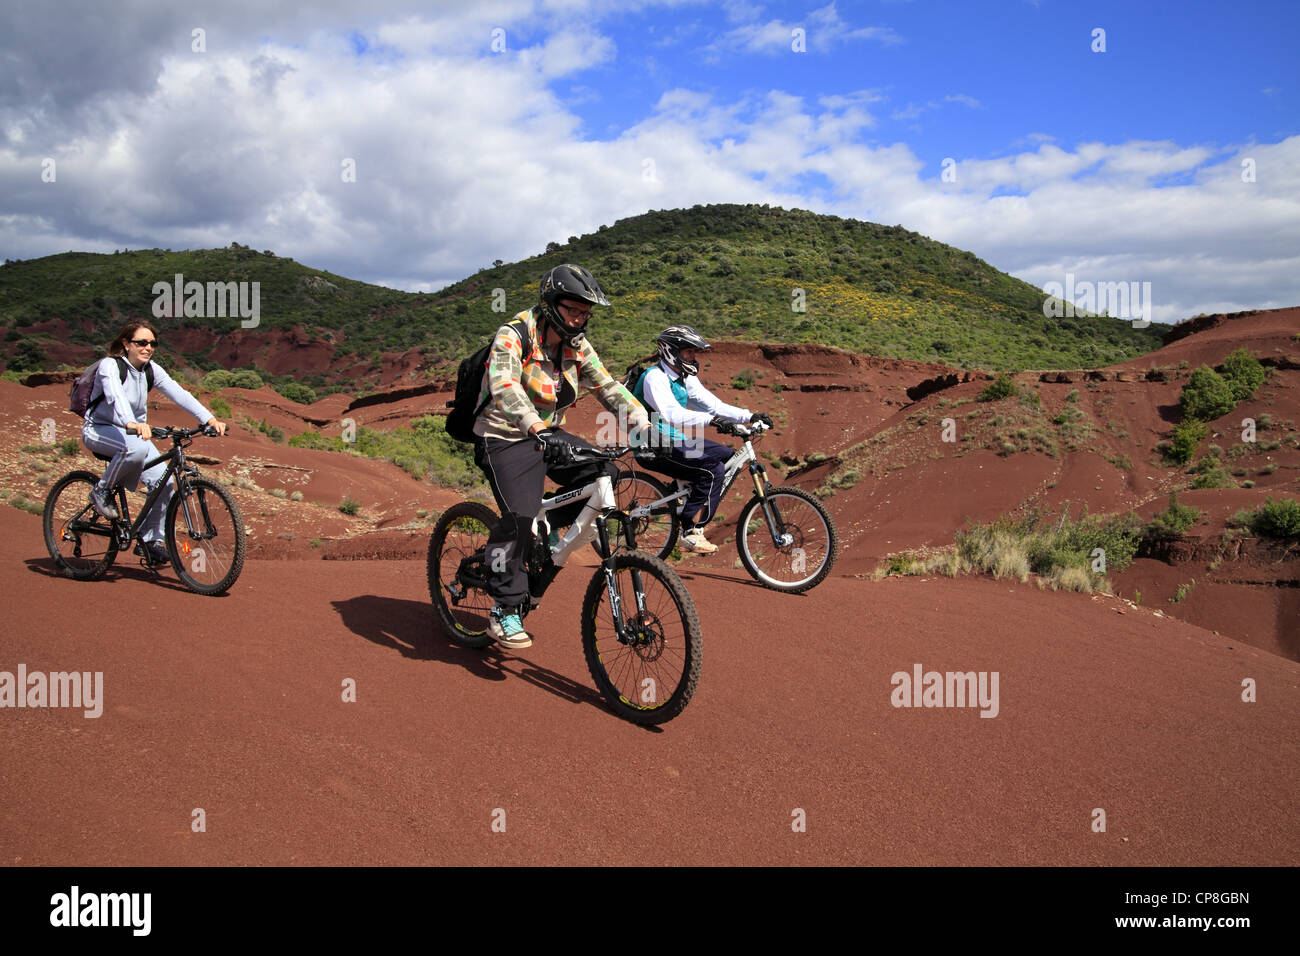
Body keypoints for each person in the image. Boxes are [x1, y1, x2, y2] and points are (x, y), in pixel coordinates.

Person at [474, 264, 650, 649]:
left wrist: (642, 422)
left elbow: (606, 385)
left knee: (606, 472)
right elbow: (504, 386)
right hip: (506, 434)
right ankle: (504, 609)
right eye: (573, 309)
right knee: (519, 515)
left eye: (585, 312)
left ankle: (548, 530)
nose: (579, 318)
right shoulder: (514, 334)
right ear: (551, 303)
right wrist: (534, 426)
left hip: (548, 435)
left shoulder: (577, 345)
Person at [81, 319, 228, 565]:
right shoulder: (110, 365)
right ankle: (101, 491)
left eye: (152, 343)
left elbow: (179, 392)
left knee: (166, 483)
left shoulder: (151, 370)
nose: (148, 347)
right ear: (126, 343)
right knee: (134, 448)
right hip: (100, 429)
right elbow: (116, 397)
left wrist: (209, 418)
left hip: (135, 433)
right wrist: (131, 422)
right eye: (142, 342)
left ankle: (151, 541)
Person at [633, 325, 772, 554]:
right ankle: (691, 529)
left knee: (728, 457)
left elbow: (713, 405)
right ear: (671, 351)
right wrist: (713, 422)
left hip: (674, 441)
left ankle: (680, 494)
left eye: (693, 353)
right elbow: (672, 414)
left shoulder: (684, 378)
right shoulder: (654, 378)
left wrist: (750, 416)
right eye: (688, 352)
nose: (693, 358)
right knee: (711, 469)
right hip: (651, 446)